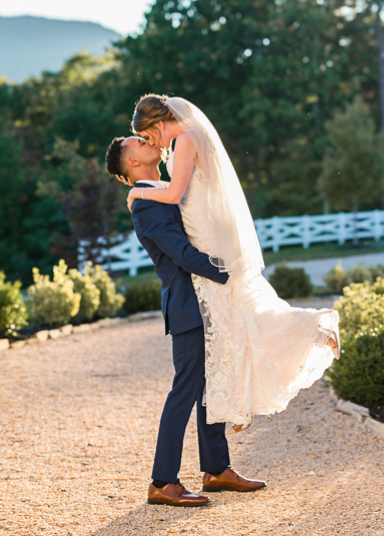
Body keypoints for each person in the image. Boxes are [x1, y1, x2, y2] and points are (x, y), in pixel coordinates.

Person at [123, 95, 339, 433]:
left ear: (159, 124)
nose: (155, 143)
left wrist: (136, 193)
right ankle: (245, 400)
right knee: (235, 322)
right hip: (206, 233)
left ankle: (310, 330)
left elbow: (176, 195)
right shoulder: (193, 136)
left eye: (151, 136)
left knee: (232, 323)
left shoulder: (183, 138)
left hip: (205, 243)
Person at [104, 135, 266, 507]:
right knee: (185, 390)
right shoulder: (145, 202)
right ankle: (162, 481)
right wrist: (231, 275)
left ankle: (216, 469)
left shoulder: (166, 189)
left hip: (207, 302)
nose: (150, 143)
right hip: (187, 306)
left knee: (209, 388)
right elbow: (181, 254)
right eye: (140, 143)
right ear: (131, 163)